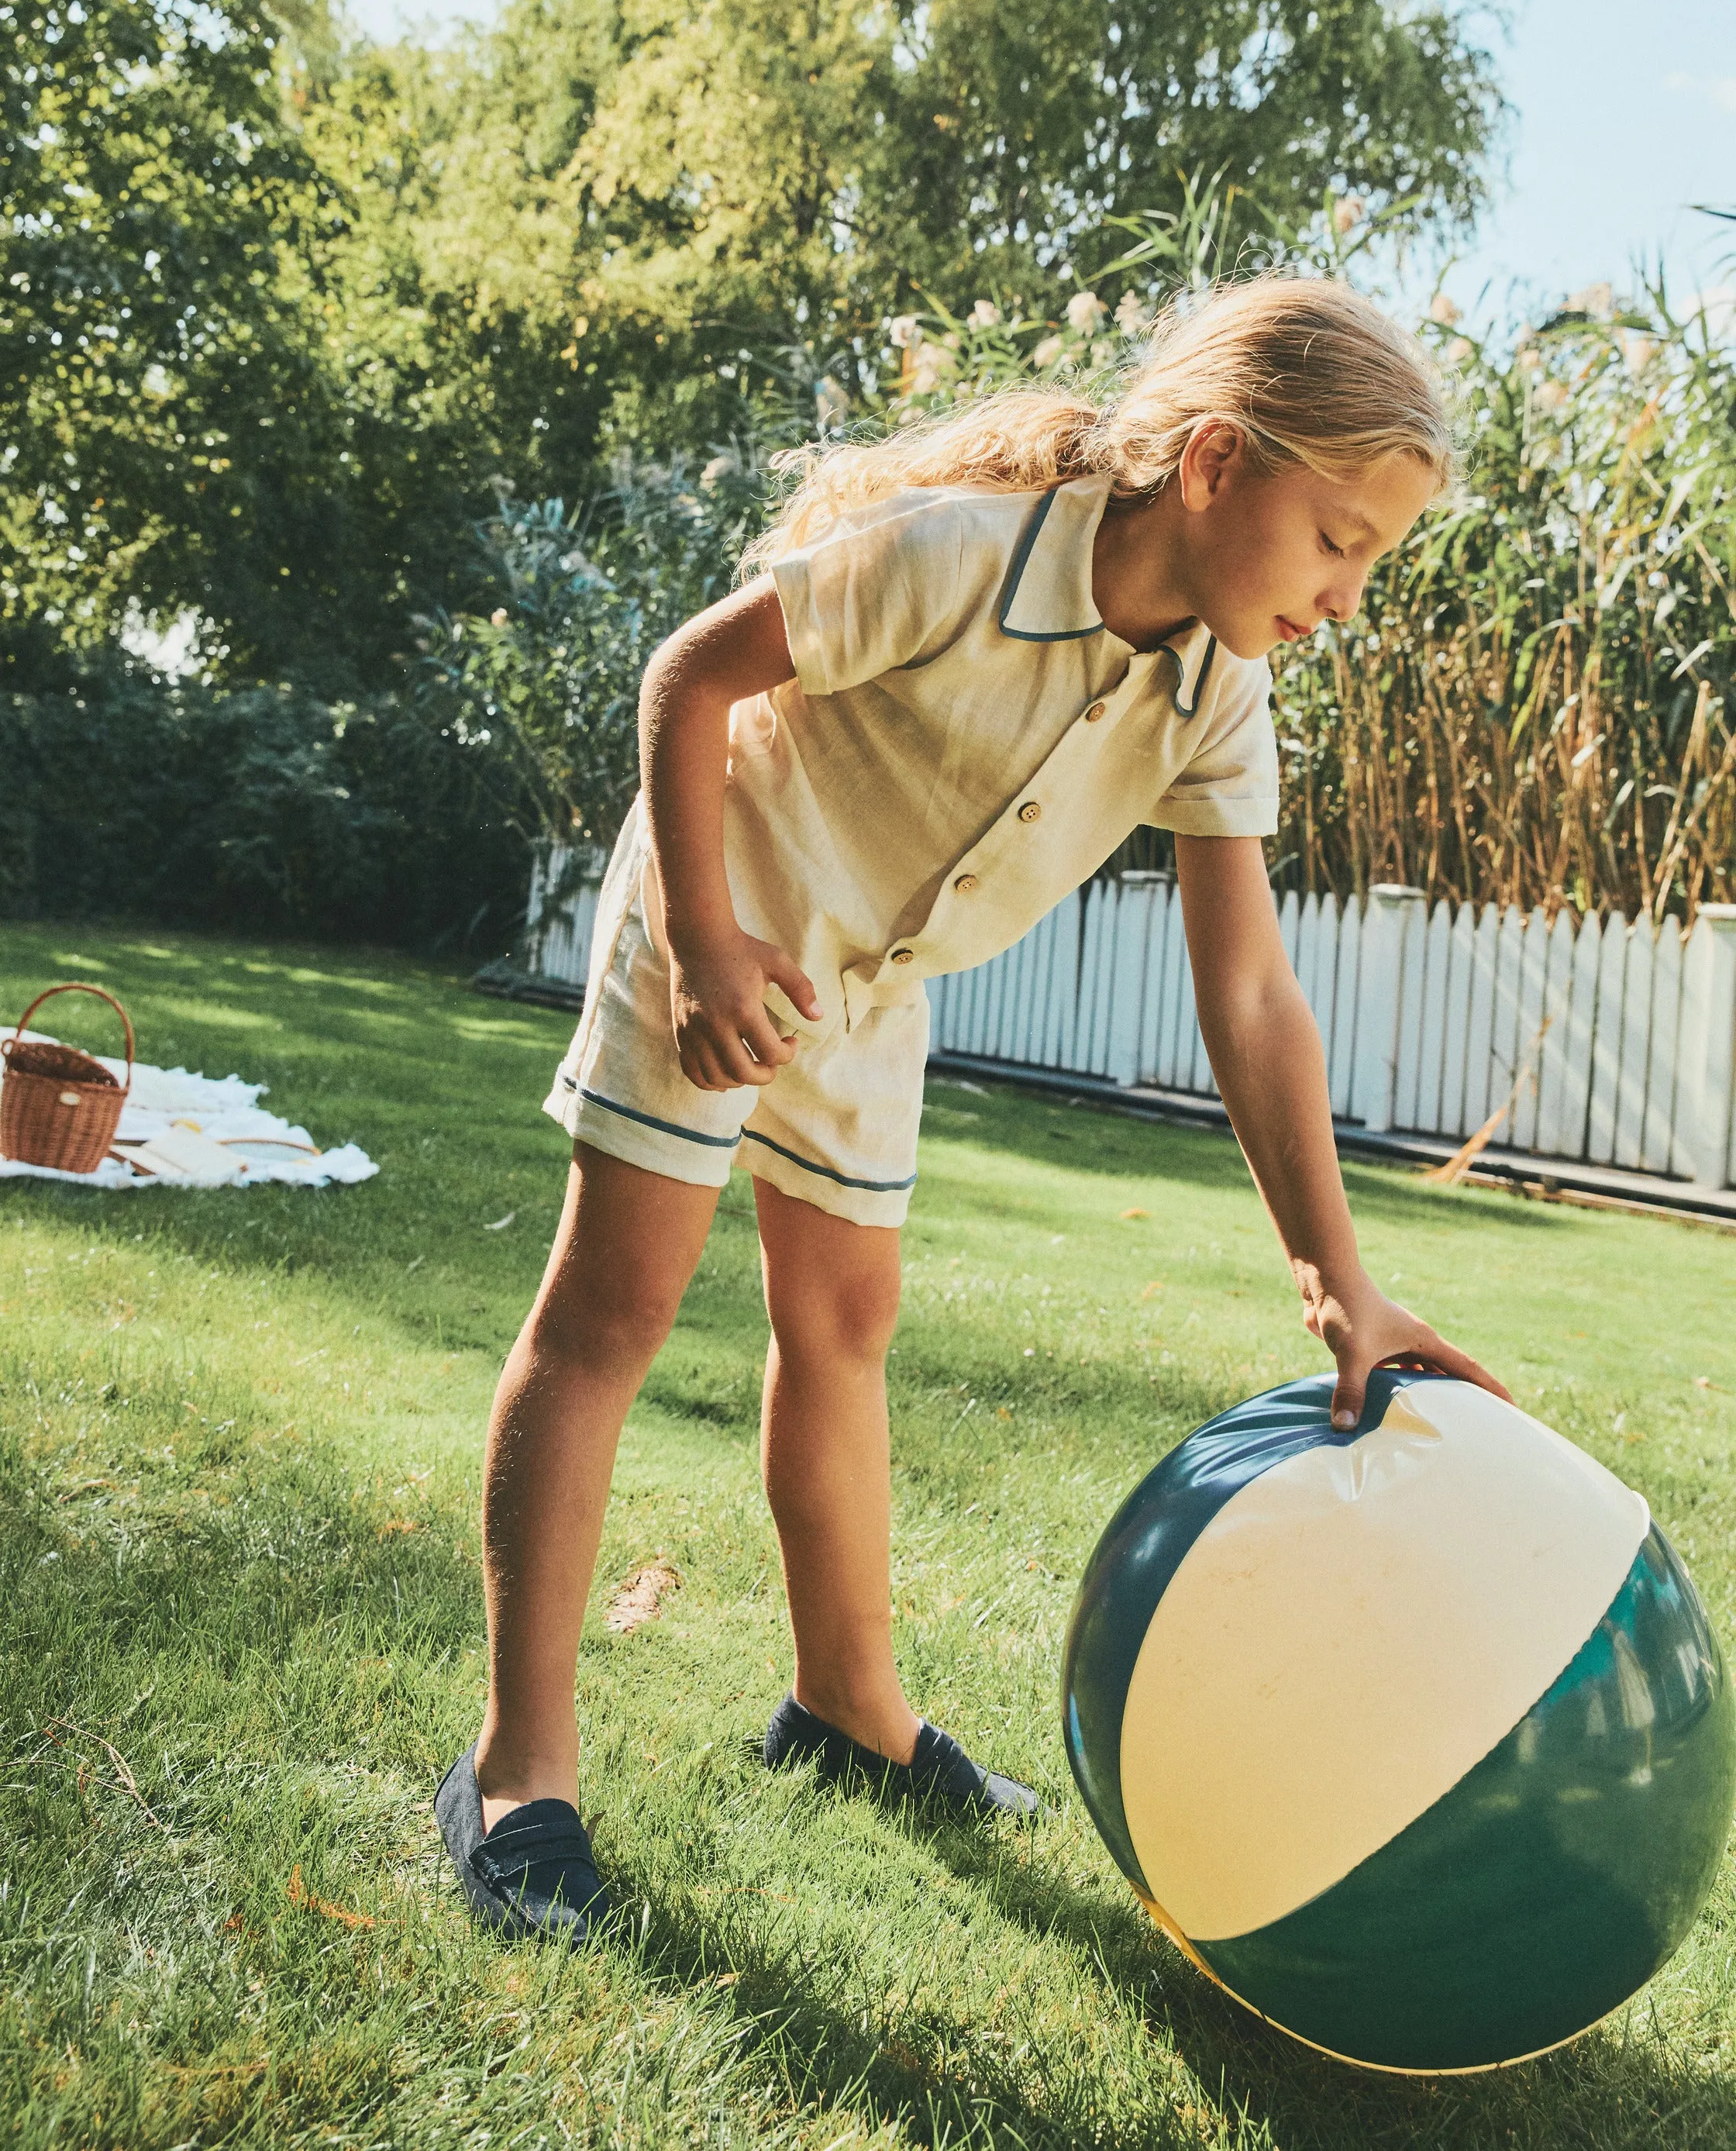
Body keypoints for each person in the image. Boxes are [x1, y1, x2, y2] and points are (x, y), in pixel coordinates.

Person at [436, 274, 1510, 1940]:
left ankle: (848, 1713)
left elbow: (1247, 994)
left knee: (845, 1321)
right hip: (728, 910)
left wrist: (1336, 1281)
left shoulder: (1215, 688)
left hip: (866, 980)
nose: (1351, 593)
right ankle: (518, 1774)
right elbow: (686, 681)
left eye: (1374, 558)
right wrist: (707, 952)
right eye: (1337, 538)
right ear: (1219, 463)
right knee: (616, 1313)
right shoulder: (961, 555)